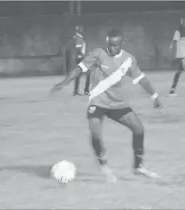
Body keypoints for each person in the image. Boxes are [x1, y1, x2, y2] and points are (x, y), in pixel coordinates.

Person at [51, 29, 163, 182]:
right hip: (98, 101)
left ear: (121, 44)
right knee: (95, 132)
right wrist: (63, 83)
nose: (111, 48)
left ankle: (138, 167)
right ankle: (103, 165)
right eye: (109, 44)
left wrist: (154, 95)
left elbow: (141, 79)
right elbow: (79, 69)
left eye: (115, 45)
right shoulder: (98, 53)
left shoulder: (128, 60)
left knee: (139, 128)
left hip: (118, 104)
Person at [71, 25, 90, 96]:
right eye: (81, 29)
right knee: (87, 73)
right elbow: (78, 48)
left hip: (81, 58)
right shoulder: (78, 37)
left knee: (79, 74)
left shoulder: (79, 37)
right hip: (80, 58)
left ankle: (76, 91)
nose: (83, 30)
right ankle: (85, 90)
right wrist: (80, 56)